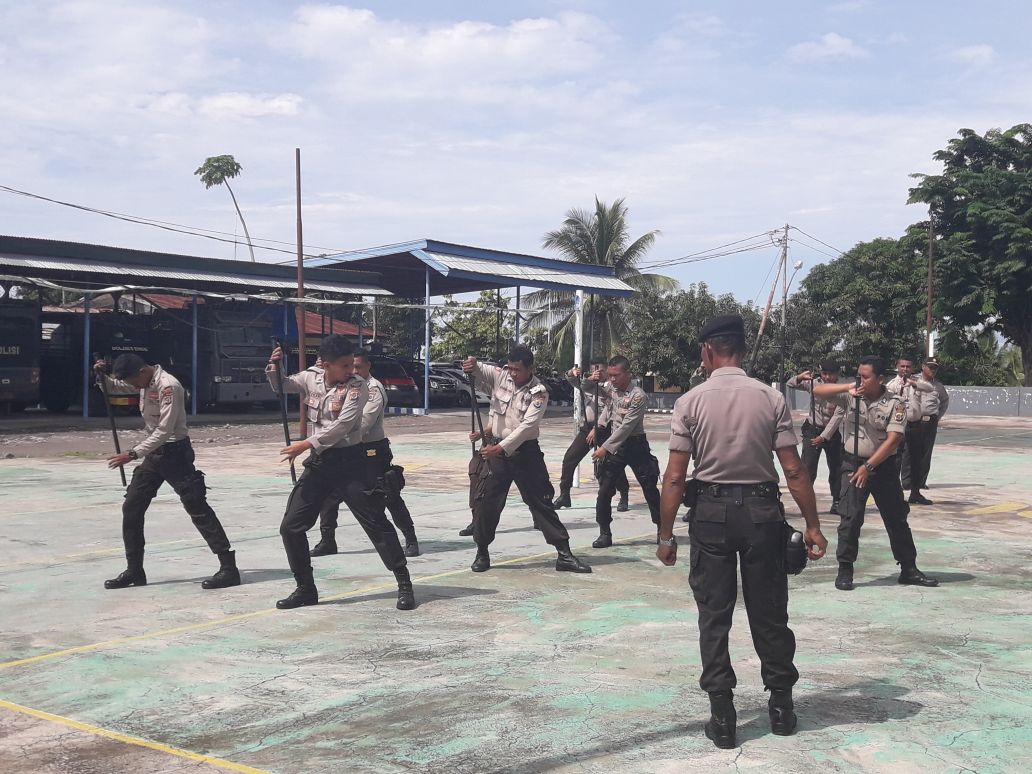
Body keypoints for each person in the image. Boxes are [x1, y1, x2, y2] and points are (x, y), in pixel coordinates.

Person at [656, 314, 828, 749]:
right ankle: (782, 709)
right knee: (769, 610)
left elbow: (675, 477)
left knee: (714, 615)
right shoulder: (770, 398)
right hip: (762, 514)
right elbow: (793, 468)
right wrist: (812, 525)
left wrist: (664, 534)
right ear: (742, 351)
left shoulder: (689, 402)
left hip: (711, 515)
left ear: (708, 351)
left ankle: (723, 716)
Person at [269, 336, 414, 611]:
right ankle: (305, 588)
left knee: (376, 523)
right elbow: (282, 386)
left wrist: (305, 444)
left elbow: (344, 425)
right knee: (291, 526)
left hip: (351, 463)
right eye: (345, 365)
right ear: (326, 365)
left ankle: (404, 582)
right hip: (321, 463)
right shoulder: (310, 378)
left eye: (353, 365)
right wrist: (274, 366)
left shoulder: (358, 387)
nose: (351, 370)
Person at [94, 353, 240, 591]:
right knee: (132, 506)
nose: (134, 387)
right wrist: (100, 375)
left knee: (197, 508)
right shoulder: (144, 381)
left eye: (134, 382)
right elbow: (116, 388)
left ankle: (228, 568)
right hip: (154, 455)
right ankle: (134, 570)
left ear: (142, 372)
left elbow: (164, 430)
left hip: (174, 453)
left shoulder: (169, 385)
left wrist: (132, 454)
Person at [813, 356, 940, 592]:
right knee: (850, 518)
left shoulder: (896, 403)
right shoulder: (850, 396)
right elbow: (819, 390)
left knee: (896, 519)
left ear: (880, 379)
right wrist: (847, 387)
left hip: (882, 468)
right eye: (858, 375)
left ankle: (909, 568)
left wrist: (869, 466)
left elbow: (893, 440)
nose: (860, 379)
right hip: (852, 465)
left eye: (865, 376)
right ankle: (845, 569)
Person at [463, 346, 591, 574]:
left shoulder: (539, 392)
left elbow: (527, 426)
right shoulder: (501, 375)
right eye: (510, 368)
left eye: (517, 370)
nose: (512, 373)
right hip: (496, 452)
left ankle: (564, 554)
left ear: (530, 369)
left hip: (525, 453)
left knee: (541, 502)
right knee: (486, 502)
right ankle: (482, 552)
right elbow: (478, 369)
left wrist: (499, 448)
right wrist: (471, 363)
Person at [309, 349, 420, 558]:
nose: (354, 370)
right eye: (351, 366)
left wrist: (333, 435)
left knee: (388, 494)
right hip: (346, 450)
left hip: (372, 451)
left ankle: (410, 538)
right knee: (330, 496)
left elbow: (363, 424)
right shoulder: (342, 386)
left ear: (368, 366)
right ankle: (327, 540)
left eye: (359, 366)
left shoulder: (372, 389)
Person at [590, 355, 662, 547]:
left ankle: (662, 528)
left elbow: (626, 427)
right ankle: (604, 532)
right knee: (604, 490)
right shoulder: (610, 388)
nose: (612, 379)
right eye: (610, 375)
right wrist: (586, 379)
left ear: (628, 374)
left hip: (635, 446)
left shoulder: (638, 395)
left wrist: (604, 448)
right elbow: (589, 389)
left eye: (617, 375)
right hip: (617, 448)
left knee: (649, 488)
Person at [552, 361, 629, 512]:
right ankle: (564, 494)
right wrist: (573, 372)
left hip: (606, 429)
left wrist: (596, 381)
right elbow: (573, 380)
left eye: (601, 370)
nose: (598, 373)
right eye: (595, 370)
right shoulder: (587, 383)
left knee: (614, 463)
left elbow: (608, 402)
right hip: (588, 428)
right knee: (569, 458)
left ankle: (624, 495)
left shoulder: (611, 387)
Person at [787, 361, 845, 514]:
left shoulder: (842, 390)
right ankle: (805, 502)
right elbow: (790, 384)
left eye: (830, 374)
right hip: (812, 429)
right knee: (807, 468)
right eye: (824, 373)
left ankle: (837, 501)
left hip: (831, 433)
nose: (827, 377)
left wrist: (824, 437)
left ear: (837, 374)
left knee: (836, 468)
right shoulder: (814, 384)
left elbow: (838, 415)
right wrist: (800, 377)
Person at [886, 357, 935, 505]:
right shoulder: (891, 384)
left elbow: (930, 388)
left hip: (915, 424)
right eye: (902, 366)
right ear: (897, 367)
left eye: (908, 367)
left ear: (912, 368)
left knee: (916, 460)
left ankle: (915, 492)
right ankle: (895, 494)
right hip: (898, 426)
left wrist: (912, 383)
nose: (905, 369)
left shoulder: (917, 382)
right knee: (897, 460)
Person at [910, 358, 949, 498]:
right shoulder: (913, 381)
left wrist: (936, 416)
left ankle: (920, 482)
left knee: (926, 453)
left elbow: (944, 401)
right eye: (930, 367)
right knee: (909, 453)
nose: (932, 370)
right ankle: (907, 482)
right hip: (914, 421)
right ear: (923, 367)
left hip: (930, 421)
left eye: (935, 368)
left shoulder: (938, 385)